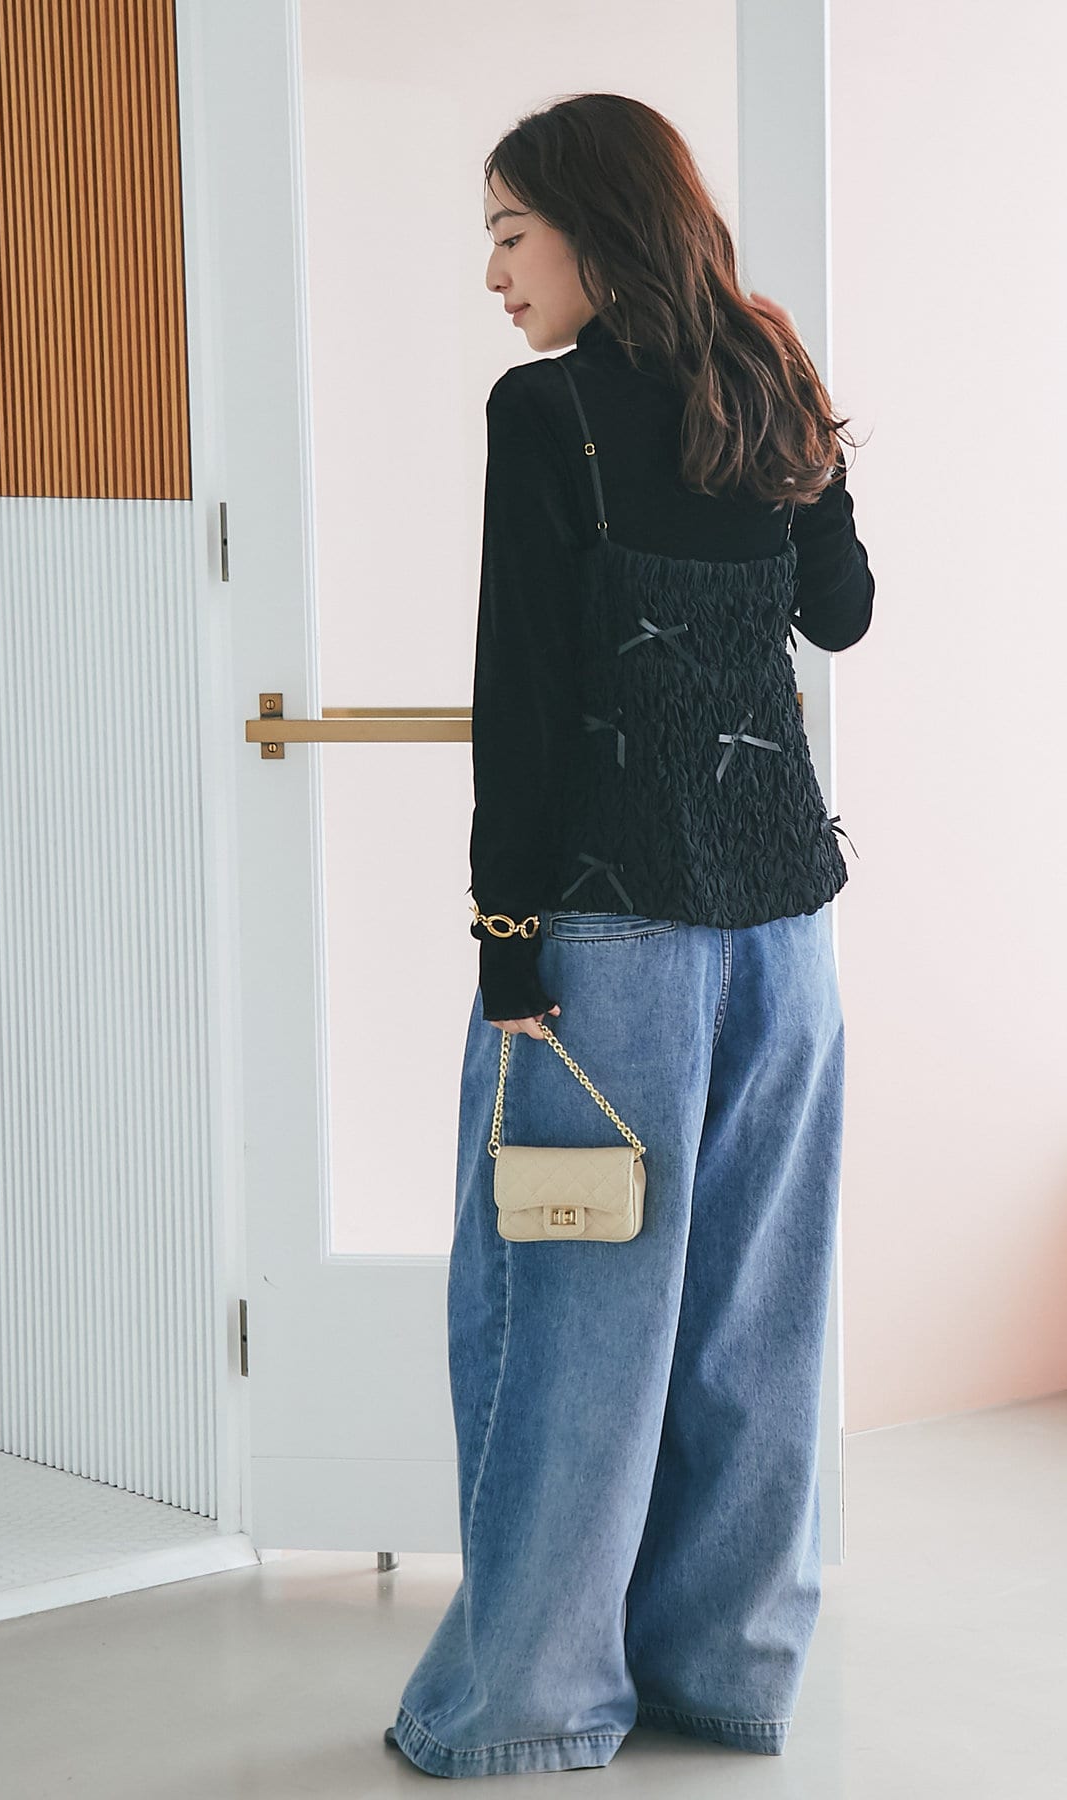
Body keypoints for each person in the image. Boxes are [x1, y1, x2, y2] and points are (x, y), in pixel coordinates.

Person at [386, 92, 876, 1779]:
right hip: (786, 940)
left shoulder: (548, 414)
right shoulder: (762, 385)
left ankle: (530, 1703)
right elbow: (842, 614)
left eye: (510, 235)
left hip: (610, 949)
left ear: (595, 230)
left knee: (573, 1332)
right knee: (757, 1323)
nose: (496, 275)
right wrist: (811, 428)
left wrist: (504, 942)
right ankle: (726, 1673)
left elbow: (521, 701)